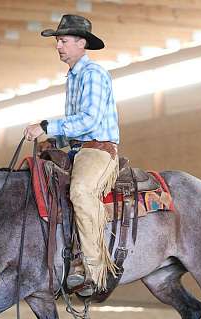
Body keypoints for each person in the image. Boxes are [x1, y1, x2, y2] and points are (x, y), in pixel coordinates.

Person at [24, 15, 120, 295]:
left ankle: (93, 268)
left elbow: (89, 121)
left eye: (63, 40)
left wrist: (46, 126)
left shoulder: (93, 75)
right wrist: (51, 138)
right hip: (79, 150)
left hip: (98, 150)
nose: (58, 46)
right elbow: (74, 127)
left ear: (81, 43)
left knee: (80, 191)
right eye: (57, 41)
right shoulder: (74, 78)